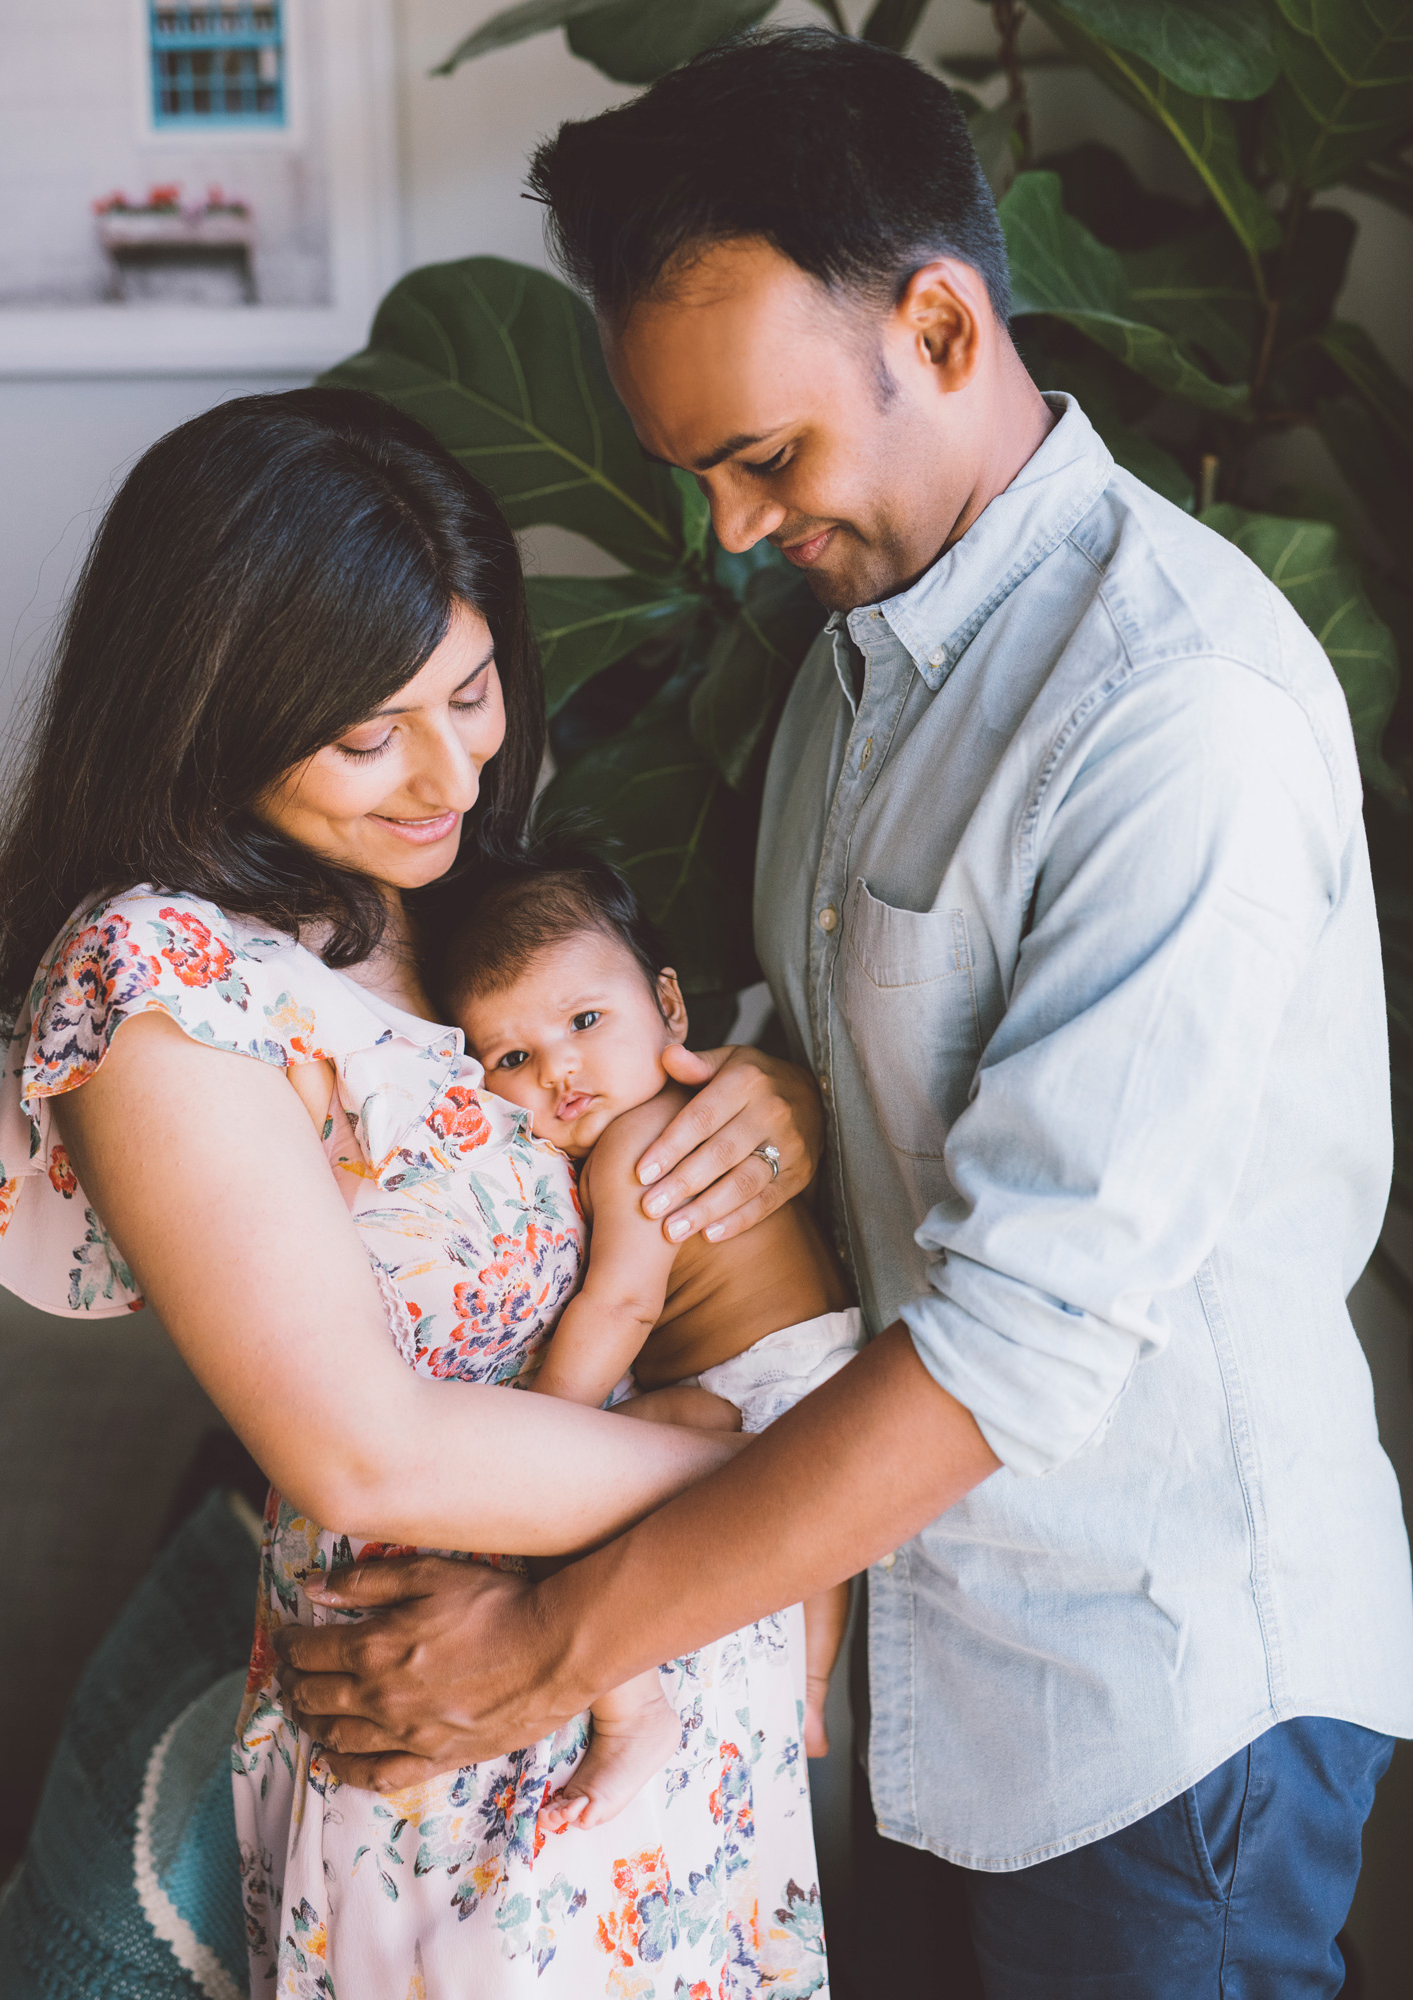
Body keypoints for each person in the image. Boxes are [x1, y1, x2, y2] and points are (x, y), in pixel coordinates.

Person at [272, 30, 1413, 1999]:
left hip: (1147, 1702)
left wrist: (552, 1642)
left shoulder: (1173, 715)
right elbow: (873, 1086)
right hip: (917, 1666)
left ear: (947, 328)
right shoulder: (851, 673)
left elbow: (1025, 1335)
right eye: (691, 471)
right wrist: (785, 1096)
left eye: (764, 458)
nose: (724, 531)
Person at [0, 387, 832, 1998]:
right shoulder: (165, 985)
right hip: (457, 1714)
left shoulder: (463, 890)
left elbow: (640, 1100)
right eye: (370, 732)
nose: (447, 771)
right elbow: (362, 1446)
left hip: (675, 1670)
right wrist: (765, 1482)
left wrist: (758, 1099)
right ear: (211, 709)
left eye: (473, 690)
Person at [438, 841, 859, 1830]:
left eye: (585, 1021)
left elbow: (619, 1307)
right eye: (513, 1057)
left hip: (760, 1387)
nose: (562, 1072)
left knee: (575, 1511)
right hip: (813, 1377)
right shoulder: (655, 1117)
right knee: (814, 1561)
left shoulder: (637, 1137)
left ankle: (632, 1712)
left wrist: (544, 1430)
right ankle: (806, 1687)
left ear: (670, 1007)